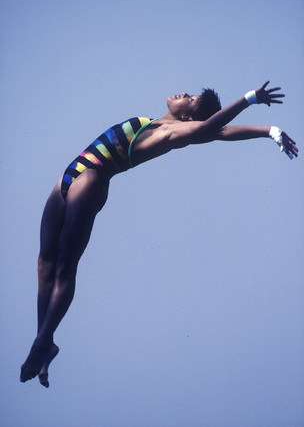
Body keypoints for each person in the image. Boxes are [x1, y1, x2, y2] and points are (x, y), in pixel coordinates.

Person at [20, 81, 298, 388]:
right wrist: (268, 130)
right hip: (66, 178)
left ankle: (43, 341)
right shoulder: (154, 123)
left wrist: (250, 99)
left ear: (190, 120)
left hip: (90, 179)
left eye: (192, 99)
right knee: (45, 265)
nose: (185, 94)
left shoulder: (172, 133)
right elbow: (220, 132)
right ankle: (45, 345)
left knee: (64, 264)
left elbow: (212, 128)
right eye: (191, 93)